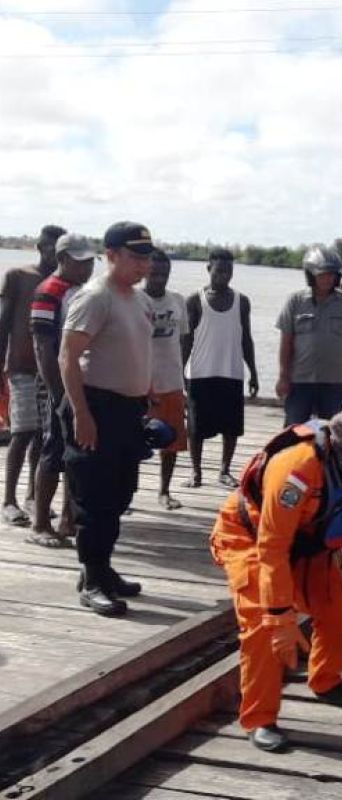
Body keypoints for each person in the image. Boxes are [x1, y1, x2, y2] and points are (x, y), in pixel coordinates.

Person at [210, 397, 342, 753]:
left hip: (308, 545)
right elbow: (271, 546)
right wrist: (280, 617)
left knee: (336, 610)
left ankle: (326, 680)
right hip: (251, 539)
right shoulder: (298, 468)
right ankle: (259, 719)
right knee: (262, 628)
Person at [59, 221, 156, 617]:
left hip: (128, 412)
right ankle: (91, 577)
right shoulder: (95, 297)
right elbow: (67, 356)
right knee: (94, 497)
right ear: (111, 255)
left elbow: (137, 351)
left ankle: (103, 567)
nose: (143, 265)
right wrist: (82, 413)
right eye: (135, 257)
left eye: (147, 257)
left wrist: (146, 394)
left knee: (120, 493)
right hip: (96, 407)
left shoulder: (137, 299)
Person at [27, 233, 95, 546]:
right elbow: (43, 346)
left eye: (90, 261)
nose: (87, 267)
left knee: (75, 453)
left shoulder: (80, 291)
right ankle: (40, 523)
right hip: (56, 383)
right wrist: (58, 393)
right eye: (80, 262)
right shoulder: (49, 291)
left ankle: (69, 518)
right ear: (62, 259)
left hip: (78, 383)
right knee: (53, 450)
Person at [1, 224, 65, 526]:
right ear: (41, 248)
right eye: (51, 248)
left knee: (44, 434)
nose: (55, 254)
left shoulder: (64, 283)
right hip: (21, 367)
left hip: (50, 370)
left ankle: (31, 494)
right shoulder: (18, 277)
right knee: (22, 432)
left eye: (60, 250)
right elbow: (3, 324)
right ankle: (9, 499)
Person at [182, 249, 259, 488]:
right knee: (196, 427)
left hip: (231, 371)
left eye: (229, 271)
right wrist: (179, 370)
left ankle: (224, 470)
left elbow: (246, 338)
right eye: (219, 270)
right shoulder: (195, 299)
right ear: (209, 269)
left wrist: (254, 372)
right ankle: (196, 472)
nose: (224, 275)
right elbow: (186, 339)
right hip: (201, 372)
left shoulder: (241, 301)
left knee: (231, 426)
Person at [276, 246, 342, 425]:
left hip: (334, 382)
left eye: (332, 274)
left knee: (331, 433)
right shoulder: (295, 301)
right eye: (322, 274)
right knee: (294, 431)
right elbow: (286, 343)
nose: (328, 279)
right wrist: (283, 376)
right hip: (300, 380)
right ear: (310, 275)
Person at [142, 251, 190, 511]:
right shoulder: (136, 300)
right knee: (131, 441)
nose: (159, 278)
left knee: (171, 441)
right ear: (145, 272)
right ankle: (128, 491)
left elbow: (183, 340)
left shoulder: (178, 301)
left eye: (164, 273)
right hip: (139, 383)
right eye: (154, 273)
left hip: (171, 382)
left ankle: (164, 490)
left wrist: (184, 378)